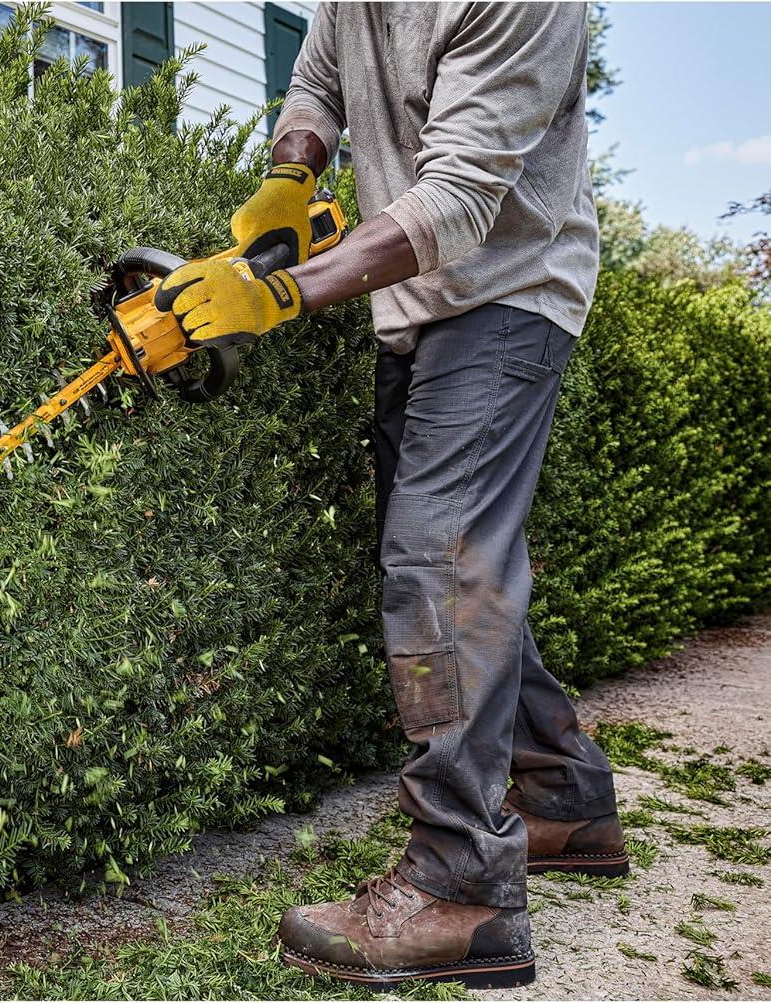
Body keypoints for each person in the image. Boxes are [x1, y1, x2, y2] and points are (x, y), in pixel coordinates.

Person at [155, 3, 624, 990]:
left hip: (509, 290)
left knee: (438, 562)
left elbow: (457, 201)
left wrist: (279, 293)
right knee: (439, 560)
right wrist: (294, 171)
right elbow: (317, 82)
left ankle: (464, 886)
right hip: (412, 304)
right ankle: (564, 795)